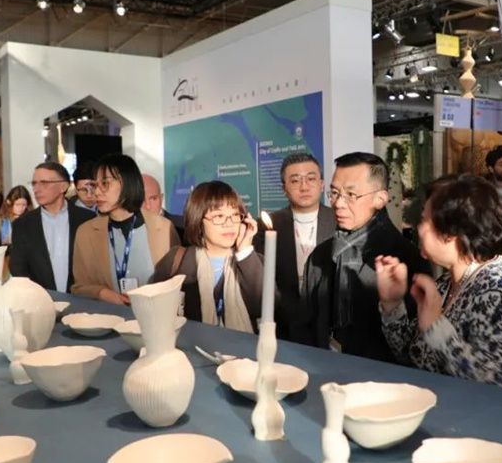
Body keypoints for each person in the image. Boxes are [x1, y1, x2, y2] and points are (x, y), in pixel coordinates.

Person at [376, 175, 502, 392]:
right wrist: (392, 303)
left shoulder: (501, 290)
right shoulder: (447, 283)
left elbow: (496, 386)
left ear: (450, 233)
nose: (418, 228)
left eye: (424, 220)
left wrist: (436, 328)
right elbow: (411, 355)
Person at [300, 152, 428, 362]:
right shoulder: (321, 256)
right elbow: (306, 325)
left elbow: (416, 348)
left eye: (351, 195)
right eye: (334, 193)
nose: (338, 203)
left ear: (380, 198)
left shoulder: (405, 260)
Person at [151, 181, 263, 333]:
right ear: (198, 220)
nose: (229, 224)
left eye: (235, 215)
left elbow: (265, 307)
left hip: (241, 346)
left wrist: (245, 252)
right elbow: (153, 309)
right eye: (219, 216)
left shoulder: (251, 261)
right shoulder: (177, 260)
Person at [72, 154, 178, 305]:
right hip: (107, 316)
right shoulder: (86, 232)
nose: (96, 192)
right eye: (95, 185)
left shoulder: (164, 228)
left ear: (127, 183)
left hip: (155, 315)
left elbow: (176, 284)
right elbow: (79, 288)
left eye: (105, 183)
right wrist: (102, 293)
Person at [255, 152, 335, 341]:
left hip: (329, 324)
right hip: (283, 325)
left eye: (311, 179)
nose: (304, 186)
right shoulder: (267, 225)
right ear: (284, 188)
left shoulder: (339, 221)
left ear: (322, 184)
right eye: (295, 180)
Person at [9, 162, 93, 292]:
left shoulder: (87, 219)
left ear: (63, 186)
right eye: (34, 183)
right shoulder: (22, 224)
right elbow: (18, 271)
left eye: (44, 183)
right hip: (39, 300)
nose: (36, 189)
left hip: (81, 300)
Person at [0, 185, 33, 250]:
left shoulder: (32, 220)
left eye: (24, 205)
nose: (20, 208)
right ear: (9, 203)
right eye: (17, 204)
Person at [142, 173, 184, 241]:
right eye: (141, 200)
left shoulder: (183, 227)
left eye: (153, 199)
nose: (148, 206)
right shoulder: (127, 231)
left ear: (161, 199)